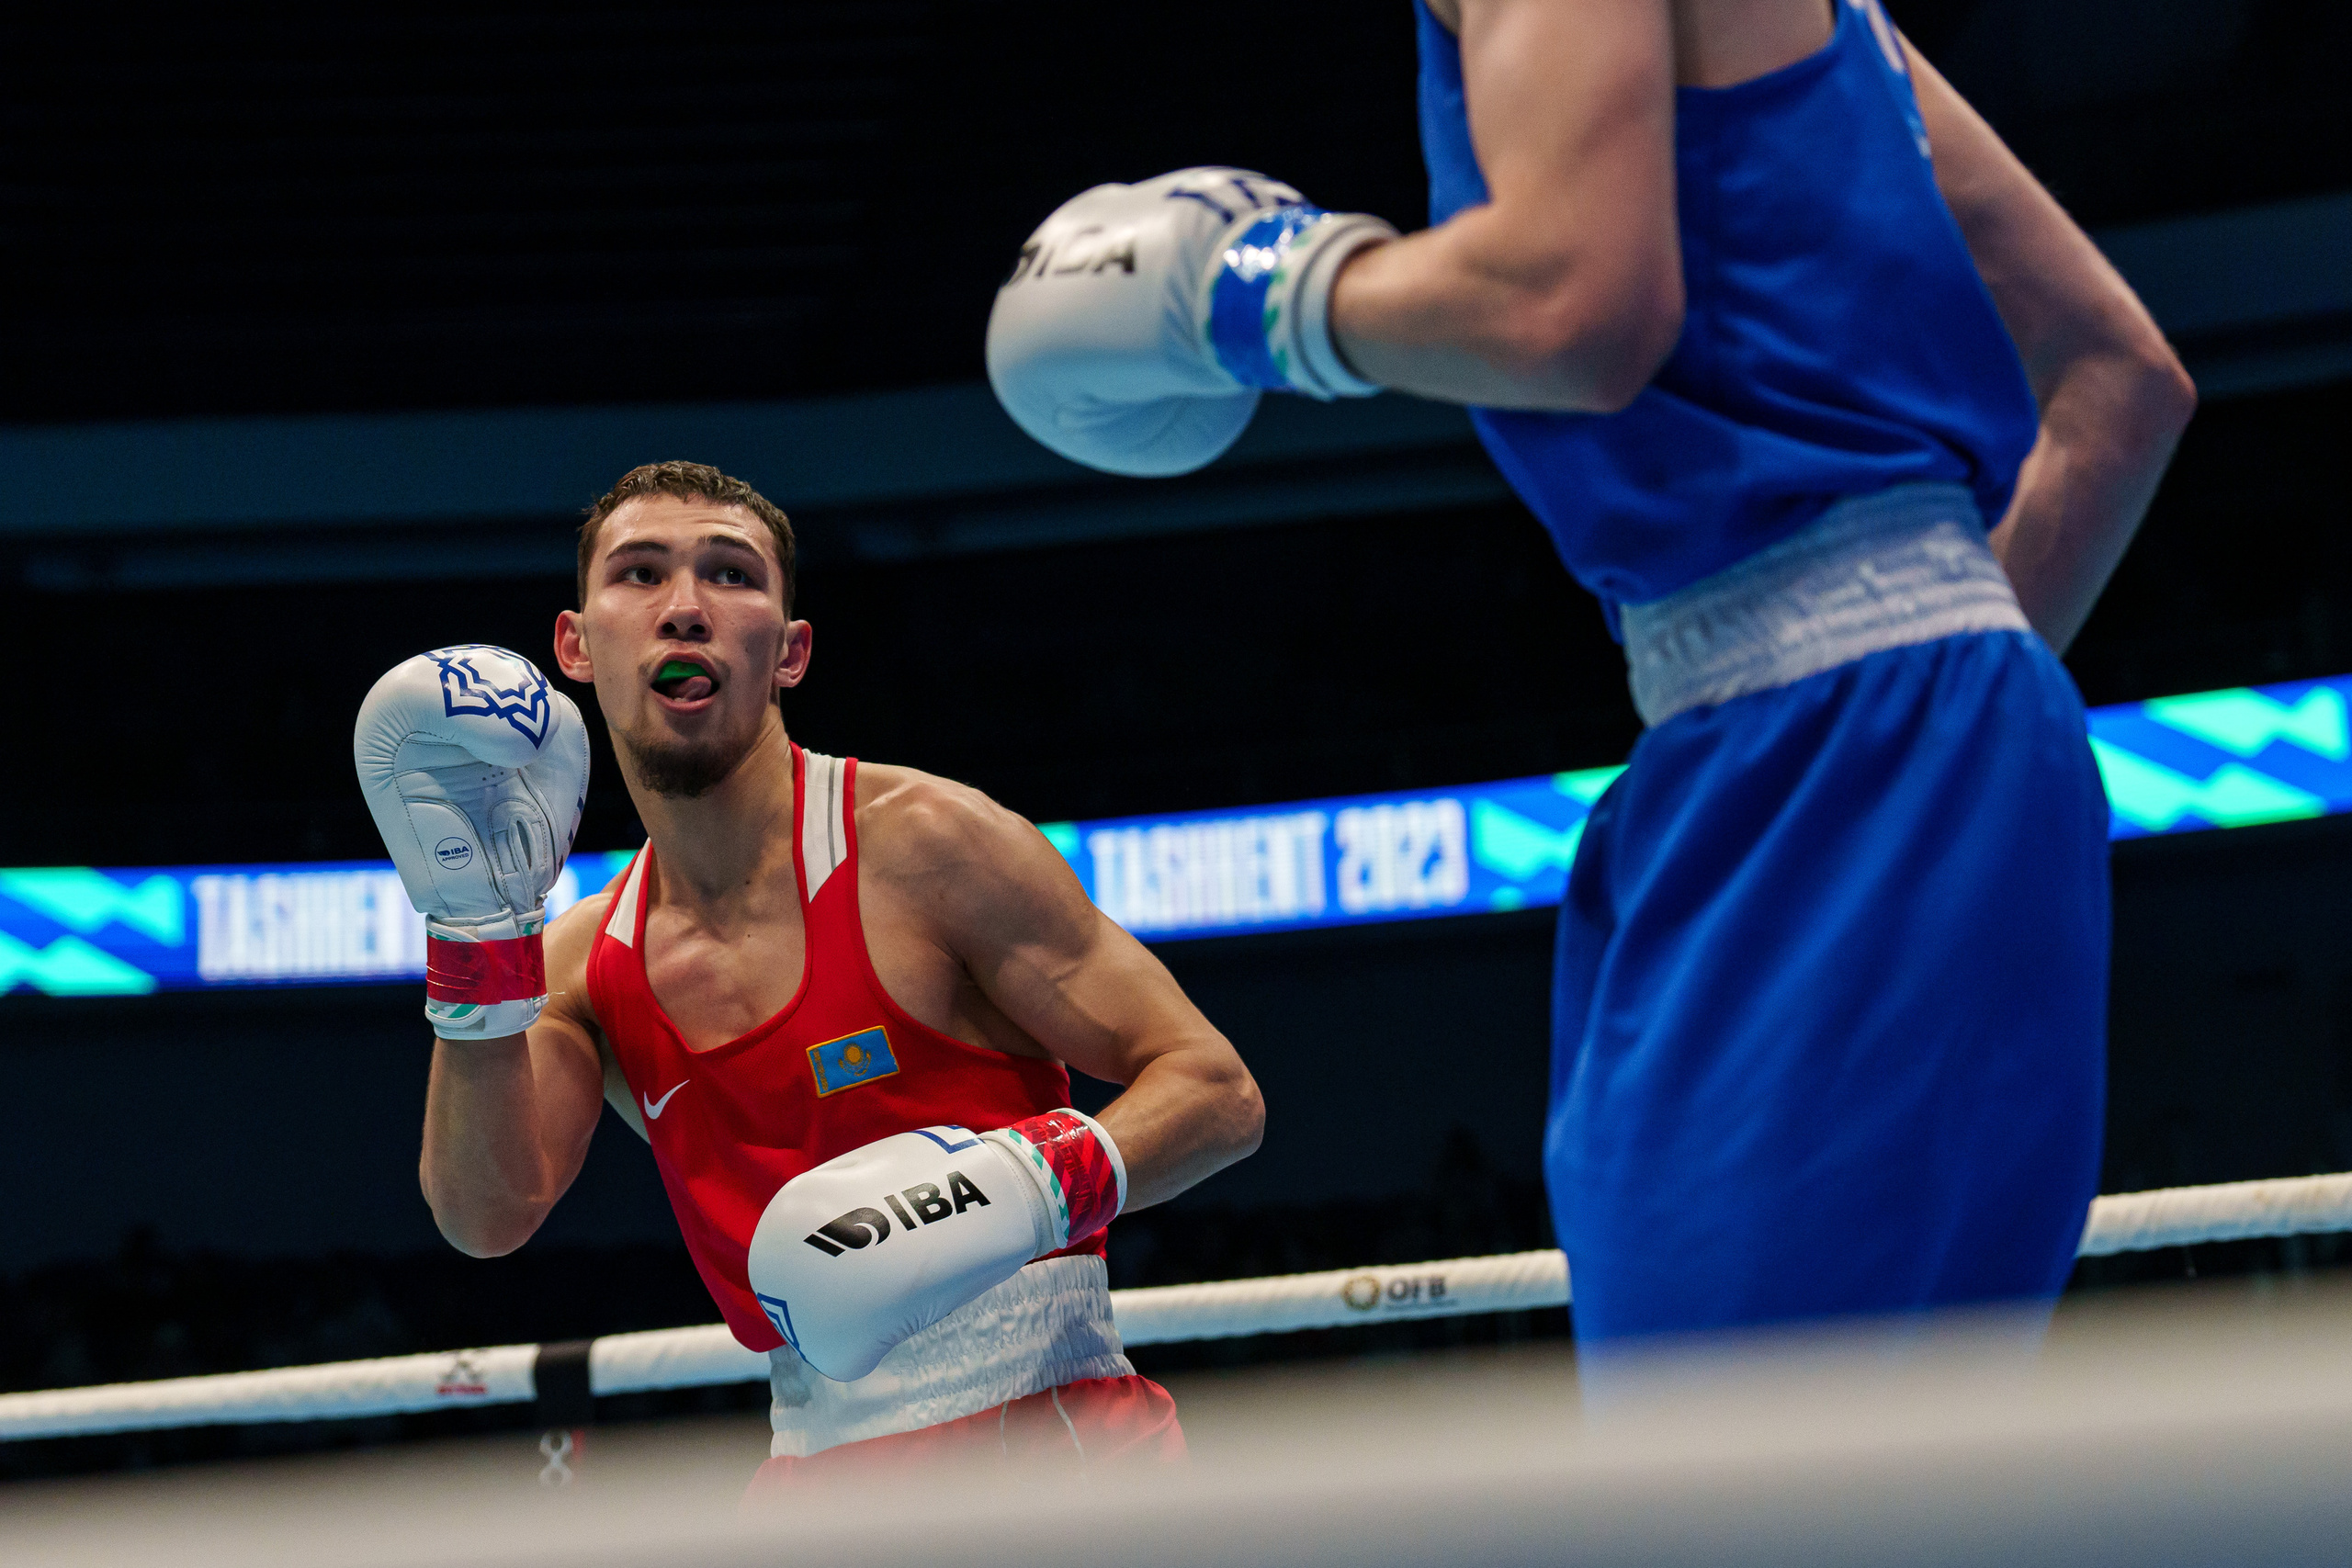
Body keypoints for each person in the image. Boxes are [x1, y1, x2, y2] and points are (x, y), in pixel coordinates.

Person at [984, 0, 2195, 1348]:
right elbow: (2123, 382)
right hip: (1879, 733)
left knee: (1735, 1474)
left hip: (1841, 748)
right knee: (1859, 1472)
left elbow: (1576, 304)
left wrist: (1249, 294)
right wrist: (1927, 693)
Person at [353, 460, 1262, 1479]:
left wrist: (1014, 1188)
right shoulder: (579, 964)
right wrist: (477, 938)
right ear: (575, 643)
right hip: (820, 1473)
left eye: (731, 575)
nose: (685, 608)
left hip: (1063, 1438)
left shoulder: (923, 845)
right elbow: (485, 1217)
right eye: (641, 574)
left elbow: (1216, 1092)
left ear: (789, 653)